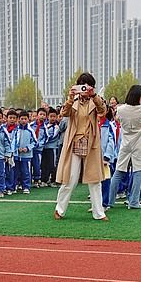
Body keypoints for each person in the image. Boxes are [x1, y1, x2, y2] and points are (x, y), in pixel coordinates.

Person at [54, 72, 107, 221]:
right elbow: (64, 113)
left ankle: (99, 213)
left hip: (91, 143)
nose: (85, 88)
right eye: (82, 85)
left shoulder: (96, 100)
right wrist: (70, 98)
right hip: (74, 142)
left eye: (88, 85)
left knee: (95, 180)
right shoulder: (73, 100)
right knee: (70, 178)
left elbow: (103, 111)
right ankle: (59, 209)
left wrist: (94, 95)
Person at [110, 84, 141, 210]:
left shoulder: (121, 109)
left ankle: (109, 201)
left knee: (118, 172)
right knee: (138, 171)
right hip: (139, 144)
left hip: (125, 143)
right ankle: (134, 201)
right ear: (139, 97)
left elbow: (117, 119)